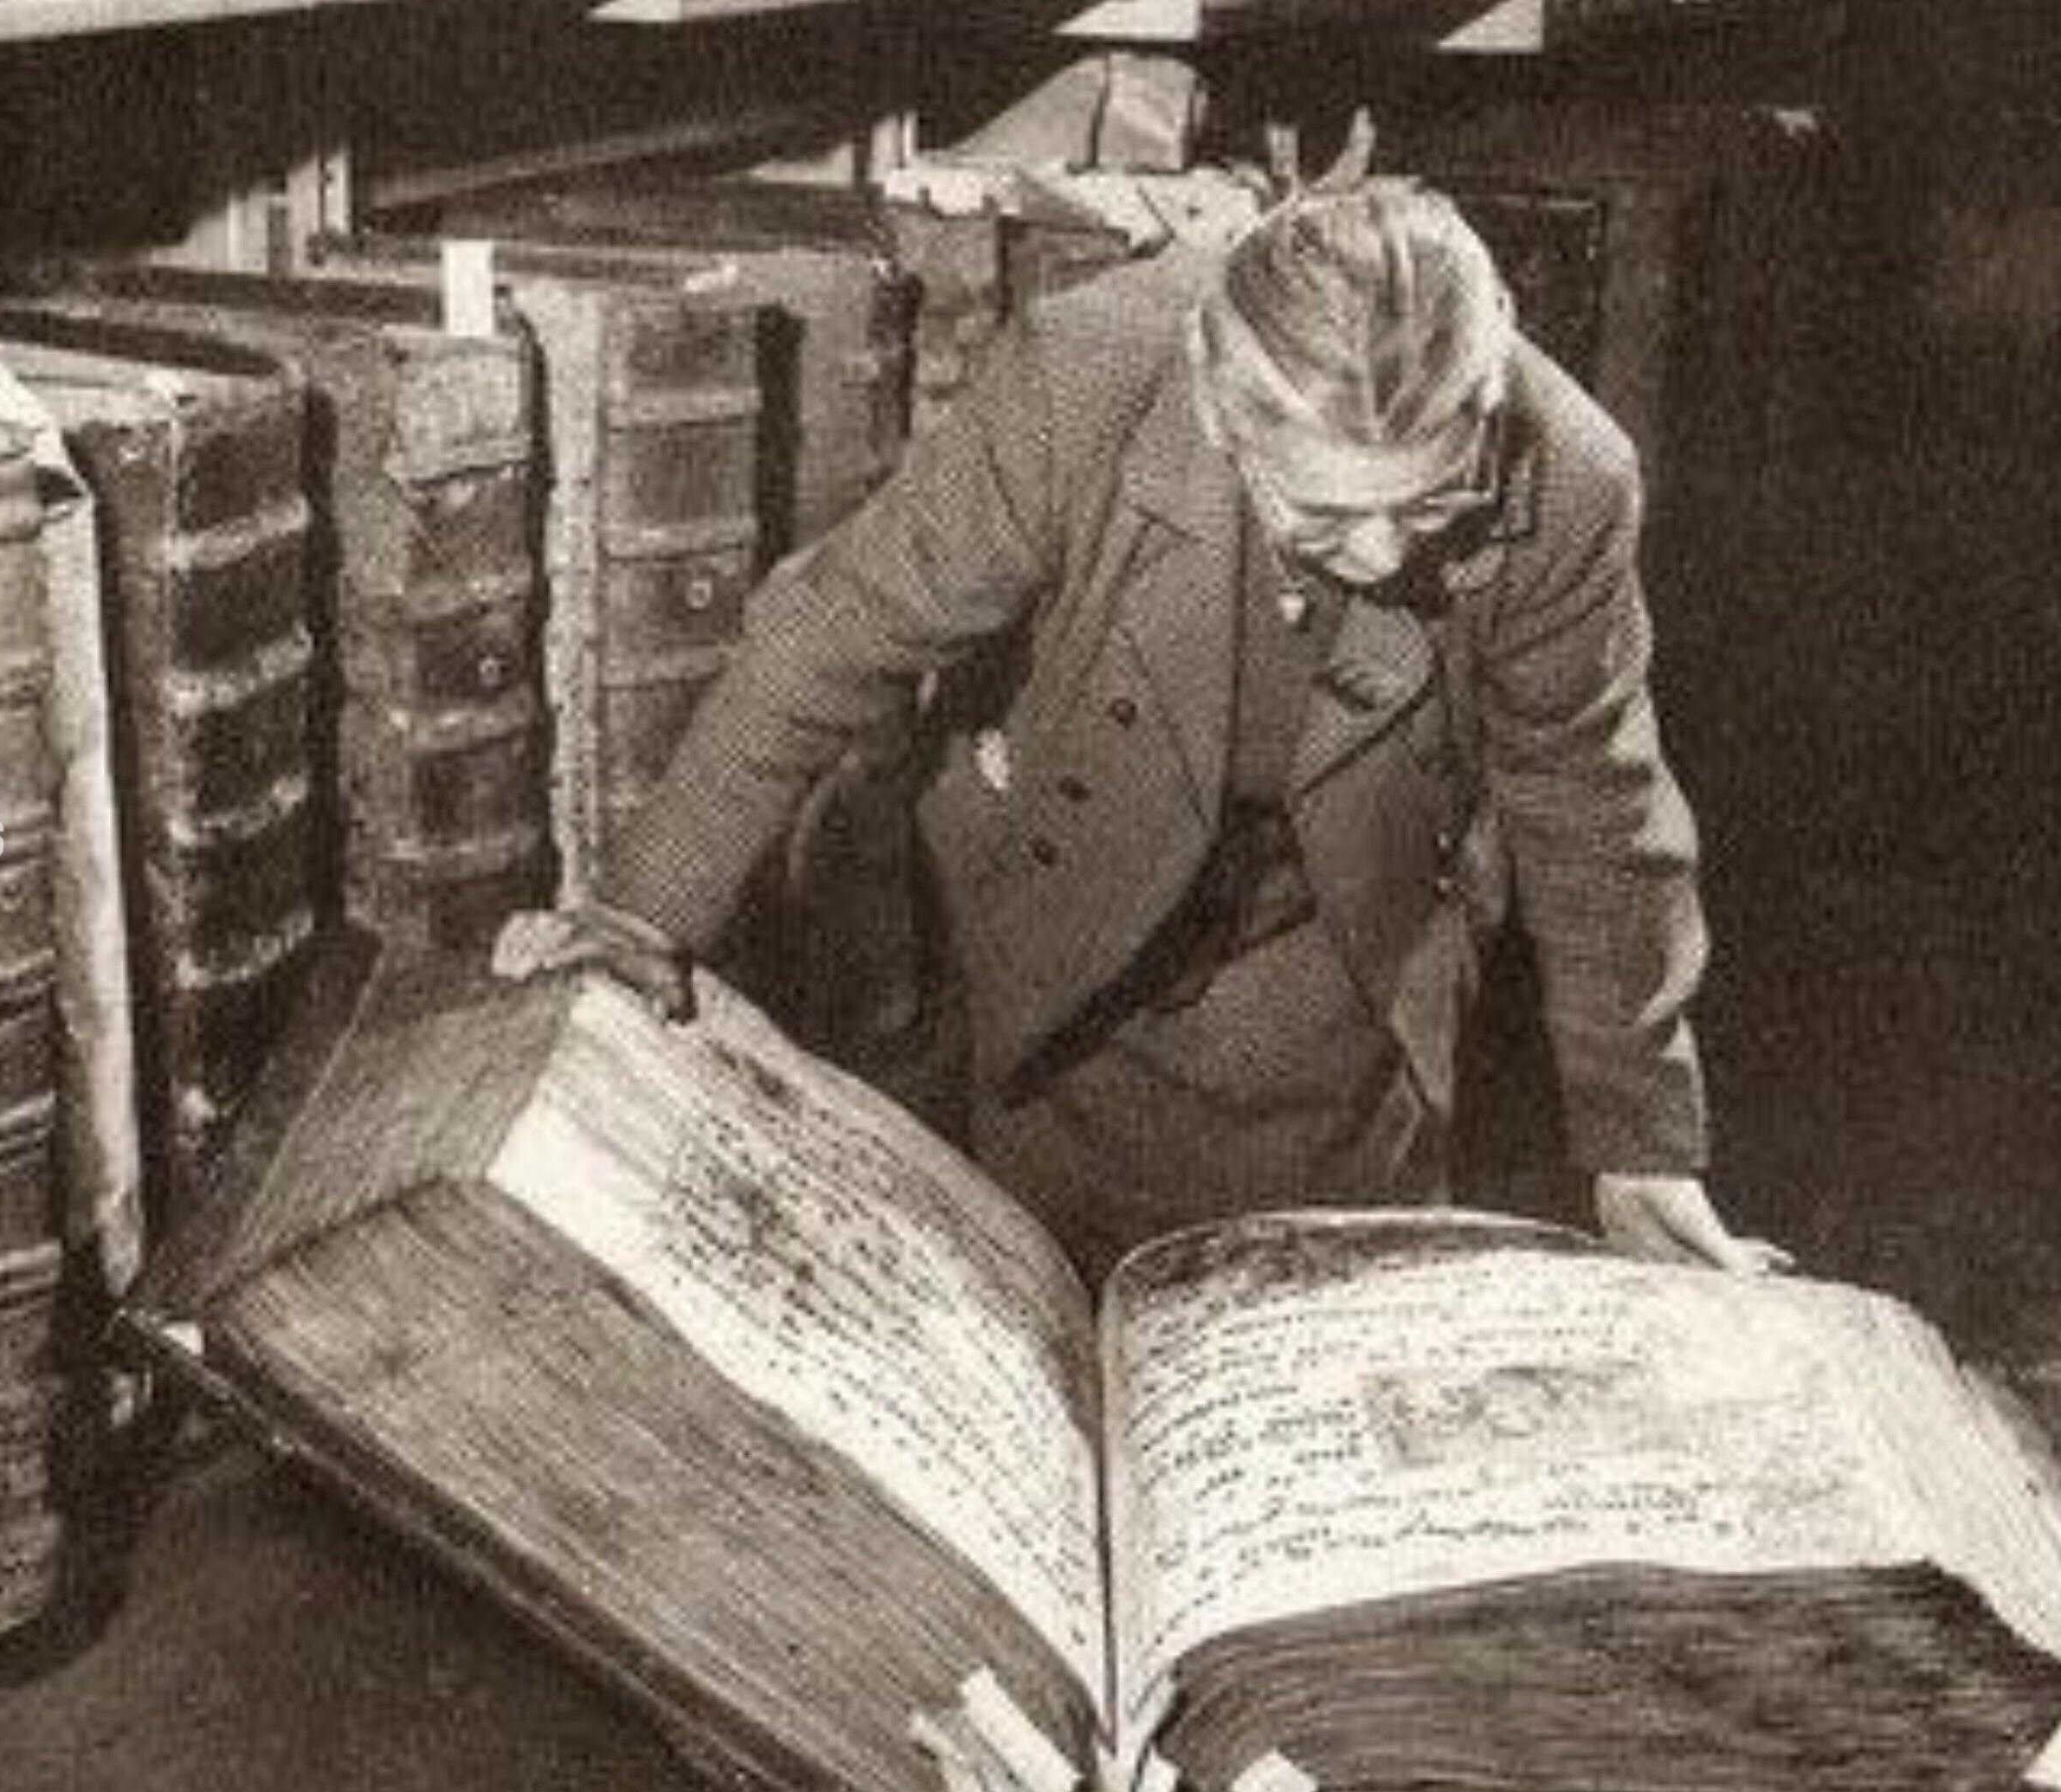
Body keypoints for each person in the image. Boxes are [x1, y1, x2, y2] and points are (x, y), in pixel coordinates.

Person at [505, 165, 1780, 1286]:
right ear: (1225, 423)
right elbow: (834, 634)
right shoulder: (1088, 378)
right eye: (1331, 519)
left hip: (1344, 950)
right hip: (1061, 917)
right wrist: (639, 915)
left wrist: (1640, 1147)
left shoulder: (1572, 476)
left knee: (1309, 1317)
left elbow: (1596, 808)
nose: (1390, 556)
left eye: (1432, 505)